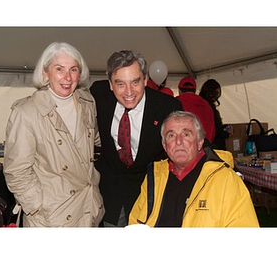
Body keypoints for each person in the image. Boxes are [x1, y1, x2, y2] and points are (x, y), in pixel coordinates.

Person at [3, 42, 105, 227]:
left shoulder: (88, 103)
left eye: (73, 69)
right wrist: (37, 207)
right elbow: (16, 170)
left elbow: (94, 141)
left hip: (87, 210)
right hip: (50, 218)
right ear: (45, 73)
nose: (67, 77)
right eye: (60, 69)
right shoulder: (26, 112)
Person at [90, 50, 183, 227]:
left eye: (135, 82)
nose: (129, 92)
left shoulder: (167, 107)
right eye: (120, 84)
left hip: (148, 198)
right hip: (109, 198)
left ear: (145, 79)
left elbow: (189, 142)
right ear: (110, 84)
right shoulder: (99, 95)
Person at [129, 111, 259, 227]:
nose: (178, 142)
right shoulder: (154, 177)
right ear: (164, 145)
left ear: (200, 142)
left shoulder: (226, 179)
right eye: (171, 135)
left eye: (186, 134)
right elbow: (135, 223)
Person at [176, 76, 215, 144]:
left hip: (184, 147)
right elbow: (213, 131)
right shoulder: (207, 105)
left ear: (179, 90)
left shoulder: (175, 103)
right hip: (205, 147)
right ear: (195, 90)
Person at [199, 79, 232, 150]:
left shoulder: (198, 104)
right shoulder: (211, 109)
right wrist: (227, 134)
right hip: (215, 146)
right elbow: (218, 131)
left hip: (202, 145)